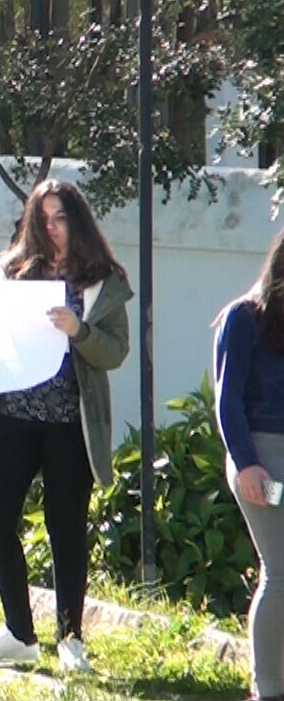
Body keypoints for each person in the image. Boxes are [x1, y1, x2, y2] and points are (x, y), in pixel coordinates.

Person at [0, 178, 131, 672]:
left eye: (60, 218)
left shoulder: (101, 279)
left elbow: (115, 351)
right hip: (10, 417)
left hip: (69, 424)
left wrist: (79, 330)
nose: (51, 228)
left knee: (67, 529)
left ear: (77, 221)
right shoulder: (10, 271)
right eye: (44, 219)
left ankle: (70, 638)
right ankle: (19, 631)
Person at [213, 230, 284, 701]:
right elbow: (227, 399)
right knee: (281, 568)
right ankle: (269, 689)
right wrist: (247, 464)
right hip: (262, 458)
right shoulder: (245, 317)